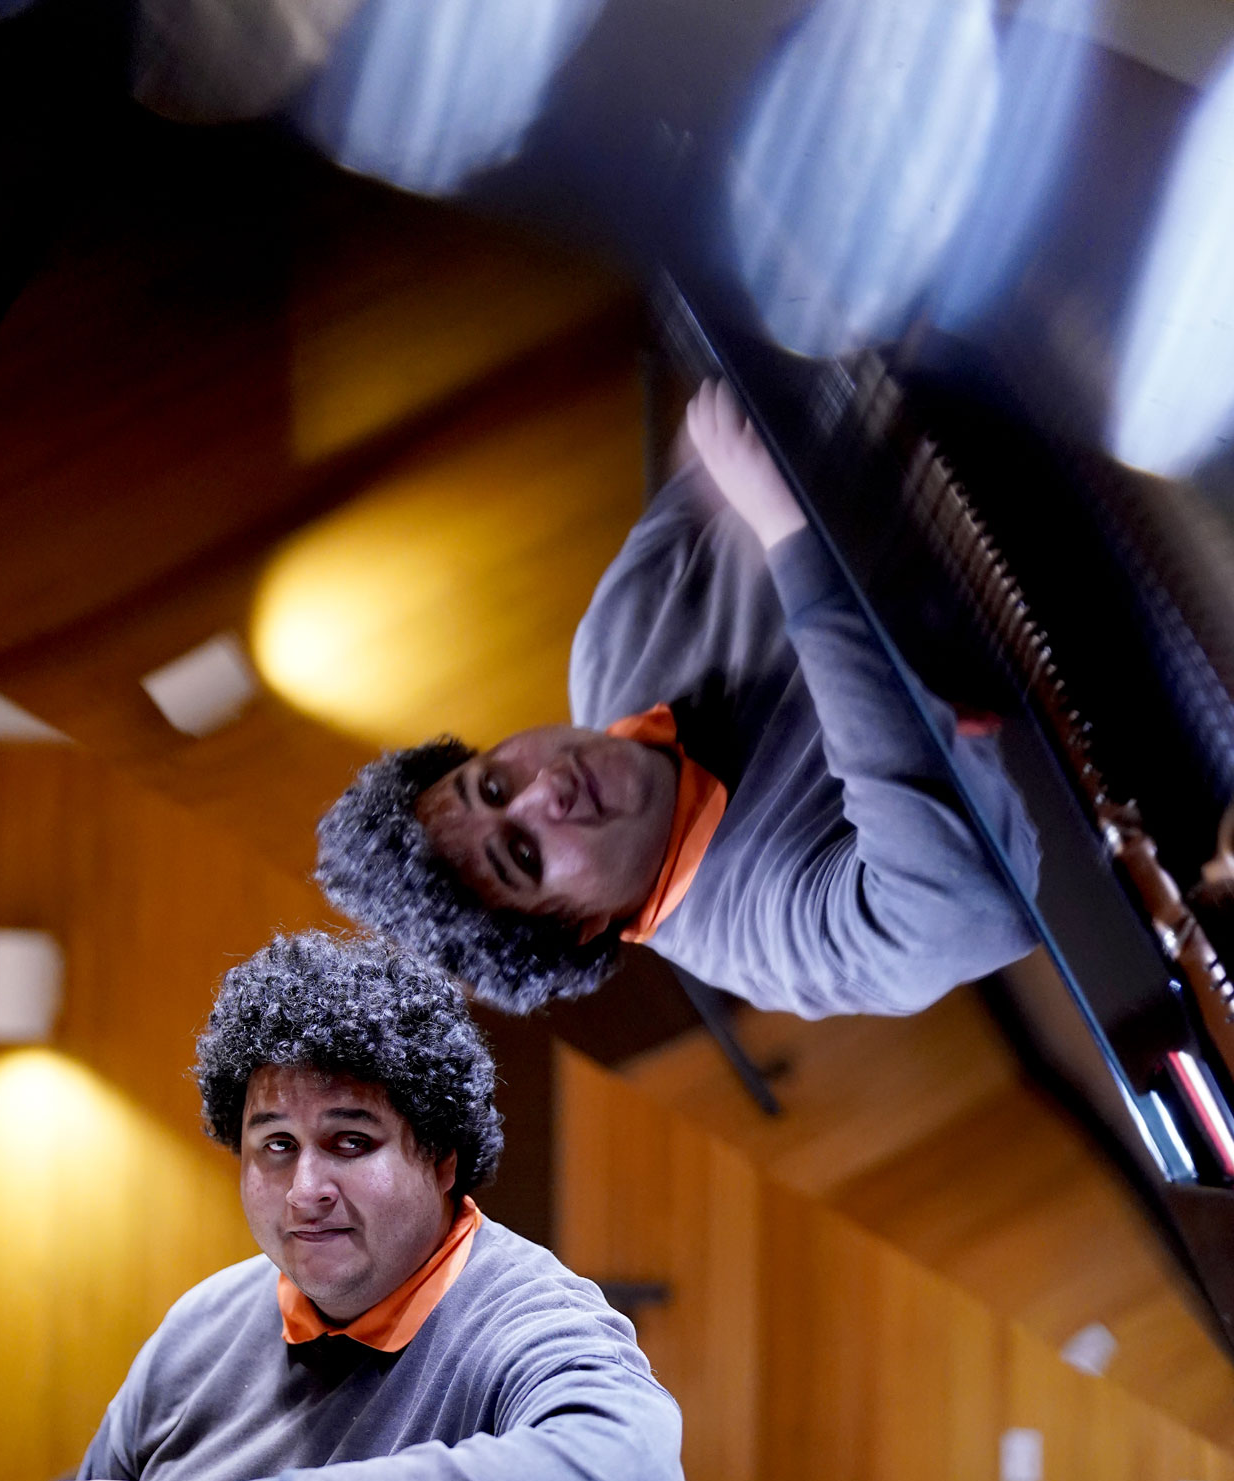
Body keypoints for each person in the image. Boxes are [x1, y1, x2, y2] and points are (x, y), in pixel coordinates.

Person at [315, 380, 1038, 1019]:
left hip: (960, 390)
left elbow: (714, 452)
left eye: (494, 782)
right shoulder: (767, 940)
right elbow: (975, 912)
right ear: (583, 925)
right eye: (524, 853)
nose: (545, 792)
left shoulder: (609, 644)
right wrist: (787, 535)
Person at [19, 931, 688, 1481]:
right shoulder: (197, 1329)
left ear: (441, 1156)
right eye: (277, 1145)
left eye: (351, 1142)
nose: (306, 1187)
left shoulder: (529, 1321)